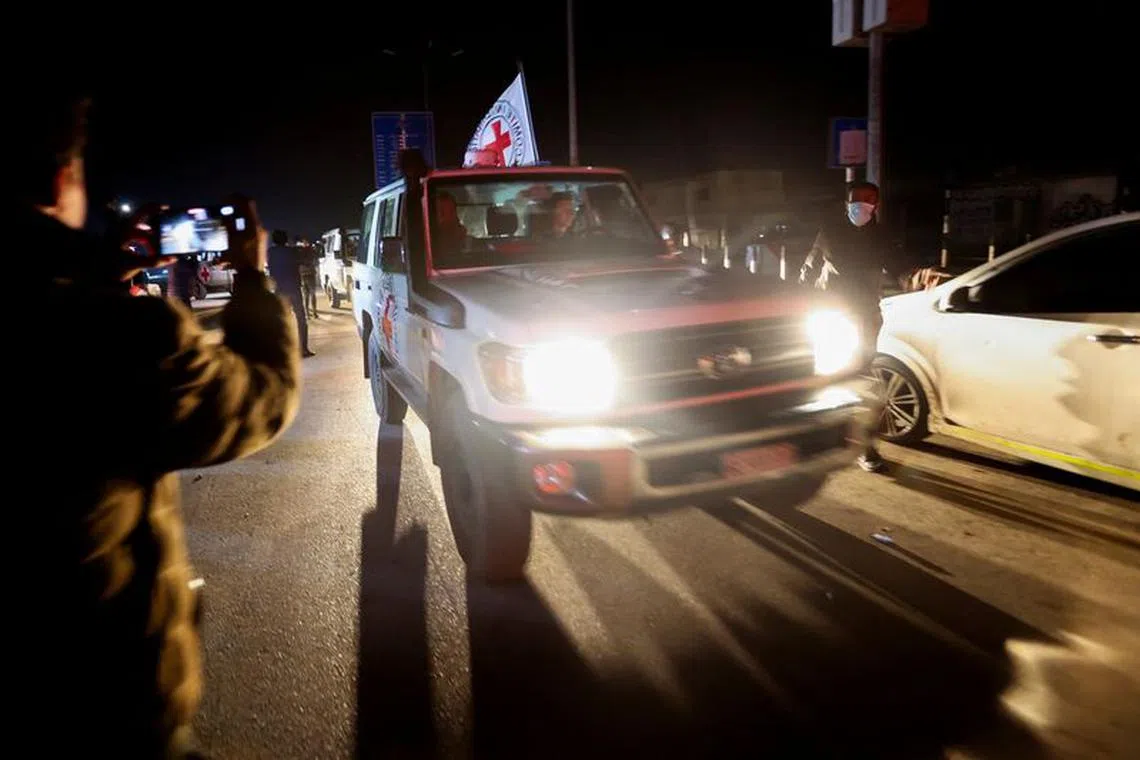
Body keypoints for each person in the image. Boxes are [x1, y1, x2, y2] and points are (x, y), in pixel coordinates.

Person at [18, 88, 301, 757]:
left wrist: (92, 269)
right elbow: (262, 400)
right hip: (100, 711)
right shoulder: (118, 338)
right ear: (64, 180)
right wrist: (253, 281)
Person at [800, 180, 889, 473]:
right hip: (833, 316)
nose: (860, 206)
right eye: (855, 200)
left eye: (867, 200)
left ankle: (864, 444)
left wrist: (916, 274)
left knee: (862, 380)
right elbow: (808, 270)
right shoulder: (830, 233)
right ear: (846, 203)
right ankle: (818, 436)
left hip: (865, 317)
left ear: (875, 205)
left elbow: (898, 261)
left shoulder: (880, 236)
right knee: (829, 376)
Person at [269, 230, 315, 357]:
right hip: (293, 288)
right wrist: (305, 247)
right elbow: (307, 260)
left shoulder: (270, 252)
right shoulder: (292, 252)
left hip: (279, 290)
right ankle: (303, 349)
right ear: (285, 240)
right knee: (301, 319)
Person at [296, 236, 320, 319]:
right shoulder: (311, 251)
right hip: (310, 274)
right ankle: (314, 312)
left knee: (306, 295)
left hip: (303, 275)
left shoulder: (299, 252)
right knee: (312, 294)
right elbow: (316, 260)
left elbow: (297, 263)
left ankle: (307, 313)